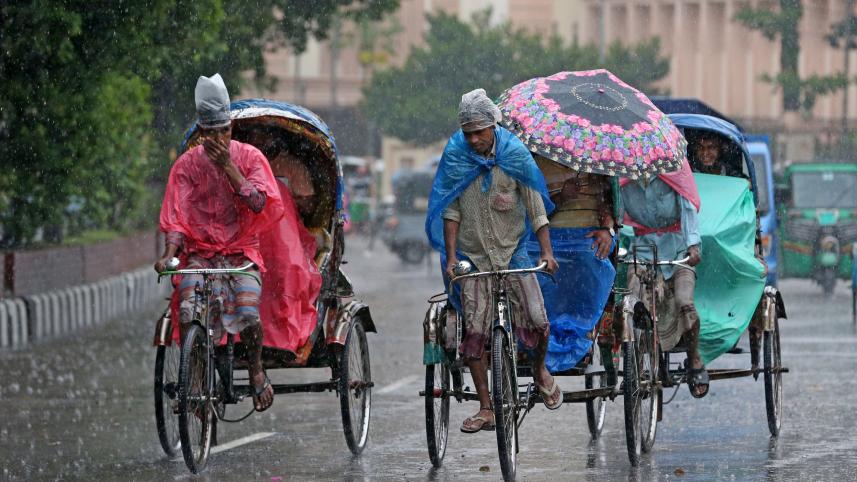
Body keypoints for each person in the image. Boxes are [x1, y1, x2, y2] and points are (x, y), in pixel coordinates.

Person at [426, 88, 561, 433]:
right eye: (467, 133)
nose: (473, 140)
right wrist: (452, 258)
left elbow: (535, 209)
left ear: (493, 127)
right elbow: (451, 211)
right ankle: (486, 406)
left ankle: (541, 370)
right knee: (473, 333)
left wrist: (546, 252)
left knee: (536, 319)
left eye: (479, 132)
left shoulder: (515, 155)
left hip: (512, 250)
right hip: (473, 256)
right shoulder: (456, 156)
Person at [155, 74, 284, 412]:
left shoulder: (250, 158)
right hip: (200, 255)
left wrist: (228, 167)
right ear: (201, 133)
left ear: (230, 129)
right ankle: (195, 377)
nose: (217, 139)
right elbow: (176, 217)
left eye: (223, 131)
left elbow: (259, 203)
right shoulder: (185, 167)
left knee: (248, 313)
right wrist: (168, 255)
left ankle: (256, 370)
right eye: (210, 133)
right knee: (187, 311)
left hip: (242, 254)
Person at [619, 159, 709, 398]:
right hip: (643, 252)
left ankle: (694, 358)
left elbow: (688, 207)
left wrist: (692, 245)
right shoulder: (621, 176)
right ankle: (635, 364)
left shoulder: (674, 168)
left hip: (678, 252)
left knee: (684, 303)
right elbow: (616, 218)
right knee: (631, 303)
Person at [526, 158, 617, 374]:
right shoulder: (534, 164)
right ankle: (537, 330)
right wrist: (560, 197)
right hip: (546, 236)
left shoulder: (598, 160)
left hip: (587, 234)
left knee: (591, 260)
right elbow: (529, 212)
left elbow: (607, 204)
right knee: (529, 267)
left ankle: (582, 328)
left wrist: (607, 229)